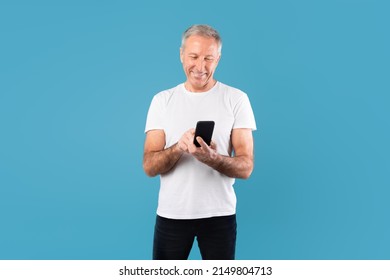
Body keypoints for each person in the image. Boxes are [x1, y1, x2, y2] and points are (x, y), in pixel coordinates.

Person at [143, 24, 257, 260]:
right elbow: (149, 166)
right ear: (181, 54)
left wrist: (212, 159)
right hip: (171, 214)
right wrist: (178, 147)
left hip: (220, 215)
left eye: (209, 58)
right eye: (194, 57)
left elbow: (246, 167)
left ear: (218, 58)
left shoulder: (237, 99)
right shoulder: (162, 101)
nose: (201, 67)